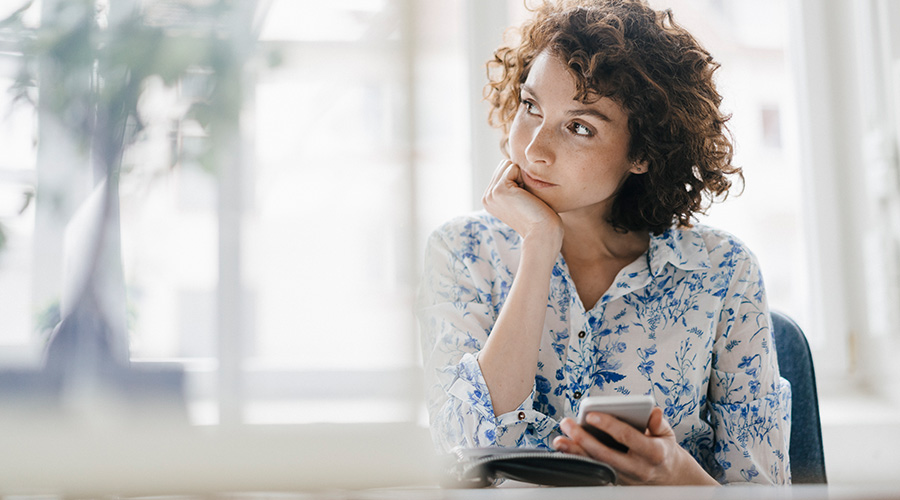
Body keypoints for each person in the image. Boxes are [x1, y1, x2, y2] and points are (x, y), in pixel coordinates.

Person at [416, 0, 791, 486]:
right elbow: (466, 452)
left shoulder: (723, 273)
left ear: (642, 152)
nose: (533, 149)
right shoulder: (461, 253)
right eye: (531, 106)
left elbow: (764, 488)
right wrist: (539, 245)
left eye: (579, 127)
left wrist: (675, 474)